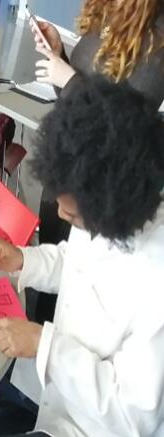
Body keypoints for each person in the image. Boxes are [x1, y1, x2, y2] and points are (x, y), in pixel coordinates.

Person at [0, 76, 164, 436]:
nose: (62, 217)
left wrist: (45, 345)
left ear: (113, 209)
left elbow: (133, 416)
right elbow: (76, 263)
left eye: (74, 216)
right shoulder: (103, 210)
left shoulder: (156, 279)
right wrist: (24, 260)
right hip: (54, 396)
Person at [30, 0, 164, 322]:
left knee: (86, 301)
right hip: (67, 174)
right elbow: (79, 110)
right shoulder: (107, 11)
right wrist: (60, 56)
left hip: (100, 196)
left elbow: (125, 128)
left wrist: (69, 80)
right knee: (51, 282)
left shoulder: (157, 41)